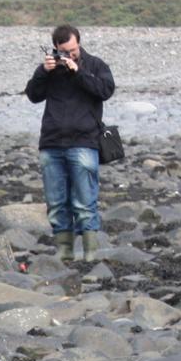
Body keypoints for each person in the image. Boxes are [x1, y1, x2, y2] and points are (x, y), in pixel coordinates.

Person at [25, 24, 115, 261]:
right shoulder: (50, 69)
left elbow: (106, 90)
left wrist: (78, 71)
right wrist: (44, 71)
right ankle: (64, 252)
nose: (70, 55)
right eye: (65, 51)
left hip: (84, 141)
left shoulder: (95, 65)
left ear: (79, 44)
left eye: (73, 50)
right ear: (56, 48)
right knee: (56, 202)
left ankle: (90, 254)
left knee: (85, 202)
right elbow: (33, 95)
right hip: (52, 142)